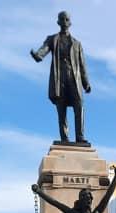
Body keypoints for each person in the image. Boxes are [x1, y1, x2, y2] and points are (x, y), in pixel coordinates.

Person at [30, 10, 91, 144]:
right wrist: (37, 55)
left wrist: (86, 83)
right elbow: (44, 49)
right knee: (61, 109)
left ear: (70, 23)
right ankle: (64, 138)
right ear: (58, 22)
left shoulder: (77, 44)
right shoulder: (52, 39)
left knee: (79, 105)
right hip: (59, 79)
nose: (64, 22)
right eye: (62, 19)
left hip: (74, 79)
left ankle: (80, 137)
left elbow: (82, 65)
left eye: (66, 19)